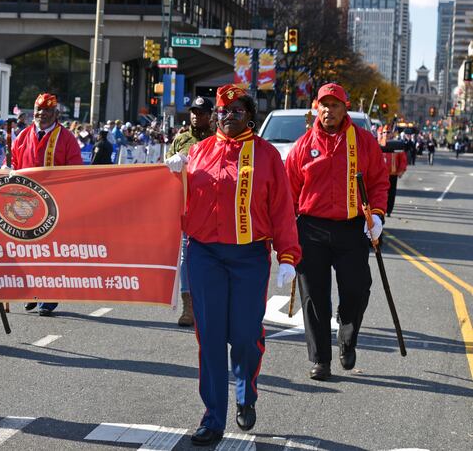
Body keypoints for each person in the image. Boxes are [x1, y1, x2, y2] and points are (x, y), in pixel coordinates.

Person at [165, 85, 300, 446]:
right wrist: (171, 175)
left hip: (249, 256)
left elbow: (283, 209)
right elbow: (171, 201)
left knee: (243, 335)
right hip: (204, 254)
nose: (227, 116)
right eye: (222, 111)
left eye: (236, 110)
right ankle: (212, 416)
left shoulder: (268, 155)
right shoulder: (198, 151)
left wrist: (288, 256)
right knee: (209, 338)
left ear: (249, 115)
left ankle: (245, 393)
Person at [285, 83, 388, 381]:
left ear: (346, 108)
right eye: (323, 105)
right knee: (314, 297)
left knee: (357, 290)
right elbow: (289, 190)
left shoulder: (365, 142)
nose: (328, 110)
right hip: (311, 228)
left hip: (350, 228)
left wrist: (378, 215)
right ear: (317, 108)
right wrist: (286, 230)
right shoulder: (303, 145)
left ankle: (347, 335)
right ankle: (320, 360)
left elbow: (379, 182)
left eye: (335, 105)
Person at [11, 92, 83, 316]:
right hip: (25, 203)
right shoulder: (23, 136)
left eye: (47, 111)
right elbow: (13, 160)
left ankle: (49, 296)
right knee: (29, 251)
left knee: (50, 252)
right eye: (39, 110)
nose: (42, 114)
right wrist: (7, 169)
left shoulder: (67, 139)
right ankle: (33, 290)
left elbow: (75, 171)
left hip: (54, 205)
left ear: (55, 114)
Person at [165, 96, 214, 327]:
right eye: (194, 112)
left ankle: (211, 302)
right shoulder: (181, 138)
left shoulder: (218, 139)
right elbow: (164, 170)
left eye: (202, 112)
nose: (197, 116)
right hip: (187, 205)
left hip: (214, 207)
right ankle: (189, 306)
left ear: (210, 115)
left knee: (213, 254)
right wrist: (171, 162)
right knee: (186, 255)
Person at [382, 139, 408, 217]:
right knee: (381, 193)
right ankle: (381, 209)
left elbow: (402, 158)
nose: (386, 135)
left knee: (391, 193)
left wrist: (401, 170)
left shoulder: (396, 145)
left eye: (388, 133)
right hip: (381, 175)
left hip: (392, 174)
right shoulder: (378, 144)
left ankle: (389, 210)